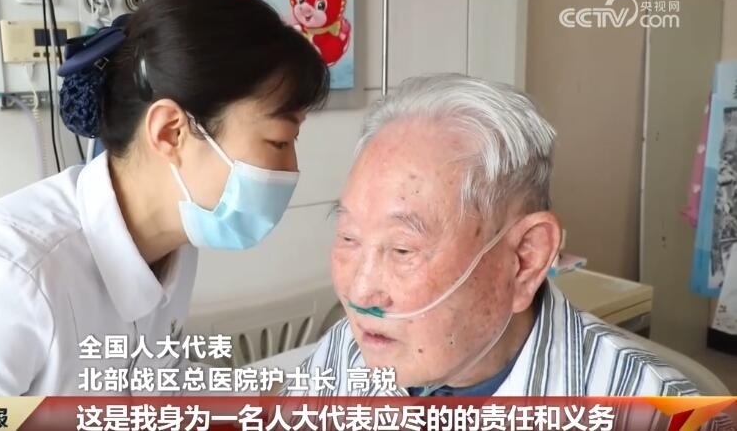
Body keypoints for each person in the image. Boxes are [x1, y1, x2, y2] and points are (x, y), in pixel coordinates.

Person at [0, 0, 329, 425]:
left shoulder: (170, 248)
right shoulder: (6, 280)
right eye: (279, 140)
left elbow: (152, 384)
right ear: (170, 132)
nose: (290, 169)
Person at [280, 74, 732, 429]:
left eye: (402, 249)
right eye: (348, 237)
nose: (360, 292)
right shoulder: (349, 350)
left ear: (525, 260)